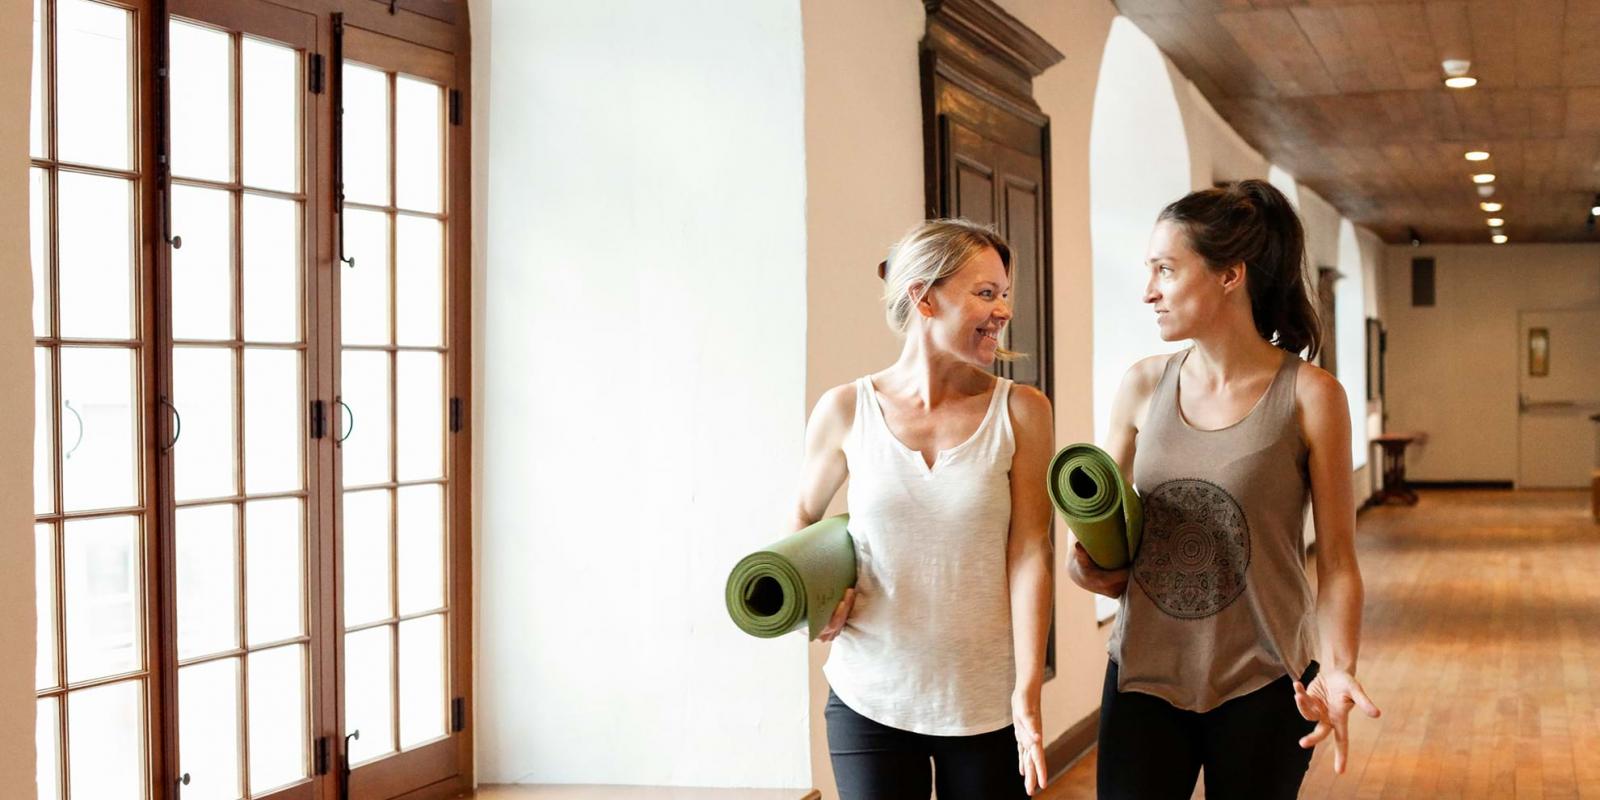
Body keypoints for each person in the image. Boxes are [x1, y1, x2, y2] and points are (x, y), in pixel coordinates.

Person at [1070, 180, 1382, 799]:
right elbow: (1104, 537)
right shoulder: (1141, 386)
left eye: (1166, 269)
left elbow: (1340, 561)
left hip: (1266, 683)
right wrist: (1088, 567)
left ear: (1229, 275)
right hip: (1143, 677)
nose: (1148, 291)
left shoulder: (1312, 395)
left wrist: (1340, 667)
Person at [789, 219, 1055, 798]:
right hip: (870, 696)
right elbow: (801, 519)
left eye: (1005, 294)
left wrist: (1027, 691)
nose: (1004, 310)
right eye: (986, 293)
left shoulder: (1023, 411)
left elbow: (1031, 550)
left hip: (983, 702)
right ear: (924, 296)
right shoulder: (845, 409)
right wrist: (820, 599)